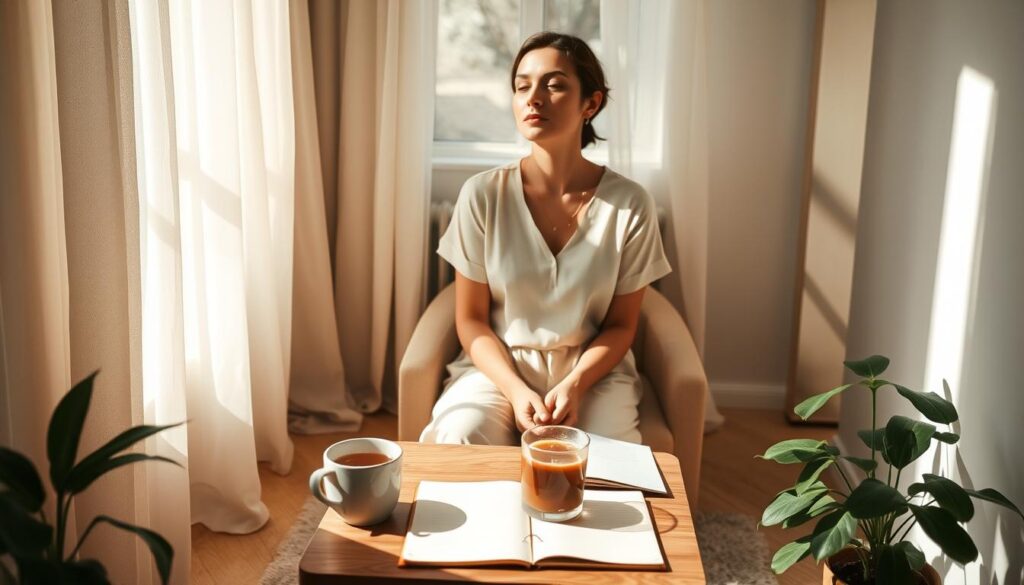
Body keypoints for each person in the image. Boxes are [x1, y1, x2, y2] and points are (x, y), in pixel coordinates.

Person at [419, 31, 671, 446]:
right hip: (500, 365)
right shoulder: (483, 194)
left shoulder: (630, 204)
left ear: (591, 103)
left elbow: (622, 325)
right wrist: (516, 390)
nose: (533, 97)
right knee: (457, 436)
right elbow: (471, 320)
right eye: (522, 86)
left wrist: (575, 384)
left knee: (612, 462)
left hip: (594, 371)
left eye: (554, 85)